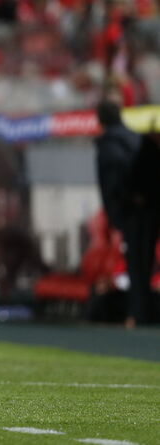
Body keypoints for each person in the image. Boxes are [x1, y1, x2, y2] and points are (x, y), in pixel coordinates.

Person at [95, 99, 160, 329]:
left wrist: (121, 205)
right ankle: (145, 312)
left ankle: (140, 314)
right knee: (145, 261)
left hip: (135, 212)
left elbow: (114, 179)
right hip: (150, 209)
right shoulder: (135, 138)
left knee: (137, 264)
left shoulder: (111, 143)